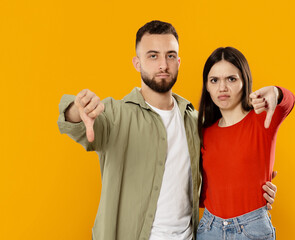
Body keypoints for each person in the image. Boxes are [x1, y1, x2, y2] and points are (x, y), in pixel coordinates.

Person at [57, 21, 277, 240]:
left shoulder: (193, 119)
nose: (163, 65)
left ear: (178, 62)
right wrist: (77, 109)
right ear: (137, 63)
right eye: (153, 56)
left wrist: (255, 186)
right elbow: (76, 123)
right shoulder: (115, 114)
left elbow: (214, 175)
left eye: (170, 56)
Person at [197, 47, 295, 240]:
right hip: (210, 228)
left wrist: (276, 92)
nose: (222, 88)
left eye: (231, 79)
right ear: (207, 87)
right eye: (214, 80)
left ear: (244, 81)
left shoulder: (261, 119)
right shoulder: (204, 132)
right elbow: (205, 192)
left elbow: (288, 102)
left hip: (251, 229)